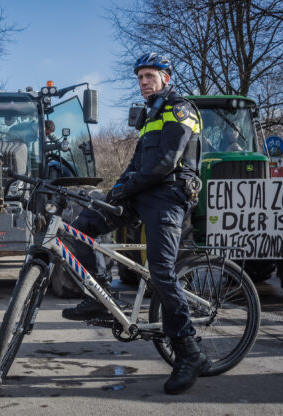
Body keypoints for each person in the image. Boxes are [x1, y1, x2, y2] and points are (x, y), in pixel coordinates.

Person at [63, 53, 206, 395]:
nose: (143, 81)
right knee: (81, 226)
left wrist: (127, 187)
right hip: (140, 193)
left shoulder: (179, 109)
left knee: (160, 272)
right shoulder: (150, 114)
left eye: (150, 76)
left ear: (166, 78)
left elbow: (165, 162)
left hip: (169, 196)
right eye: (140, 76)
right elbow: (138, 162)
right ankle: (99, 293)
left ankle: (188, 352)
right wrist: (116, 191)